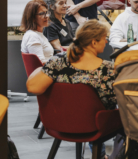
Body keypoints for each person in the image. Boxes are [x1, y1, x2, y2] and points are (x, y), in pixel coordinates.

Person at [26, 20, 117, 159]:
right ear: (94, 42)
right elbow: (117, 101)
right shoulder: (109, 69)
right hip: (95, 126)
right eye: (105, 38)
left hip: (59, 123)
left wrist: (41, 69)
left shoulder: (58, 61)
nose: (106, 41)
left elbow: (33, 87)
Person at [20, 0, 54, 64]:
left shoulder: (38, 34)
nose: (46, 16)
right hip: (44, 73)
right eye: (42, 13)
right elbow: (40, 62)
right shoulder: (32, 36)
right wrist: (60, 62)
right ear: (32, 17)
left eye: (46, 12)